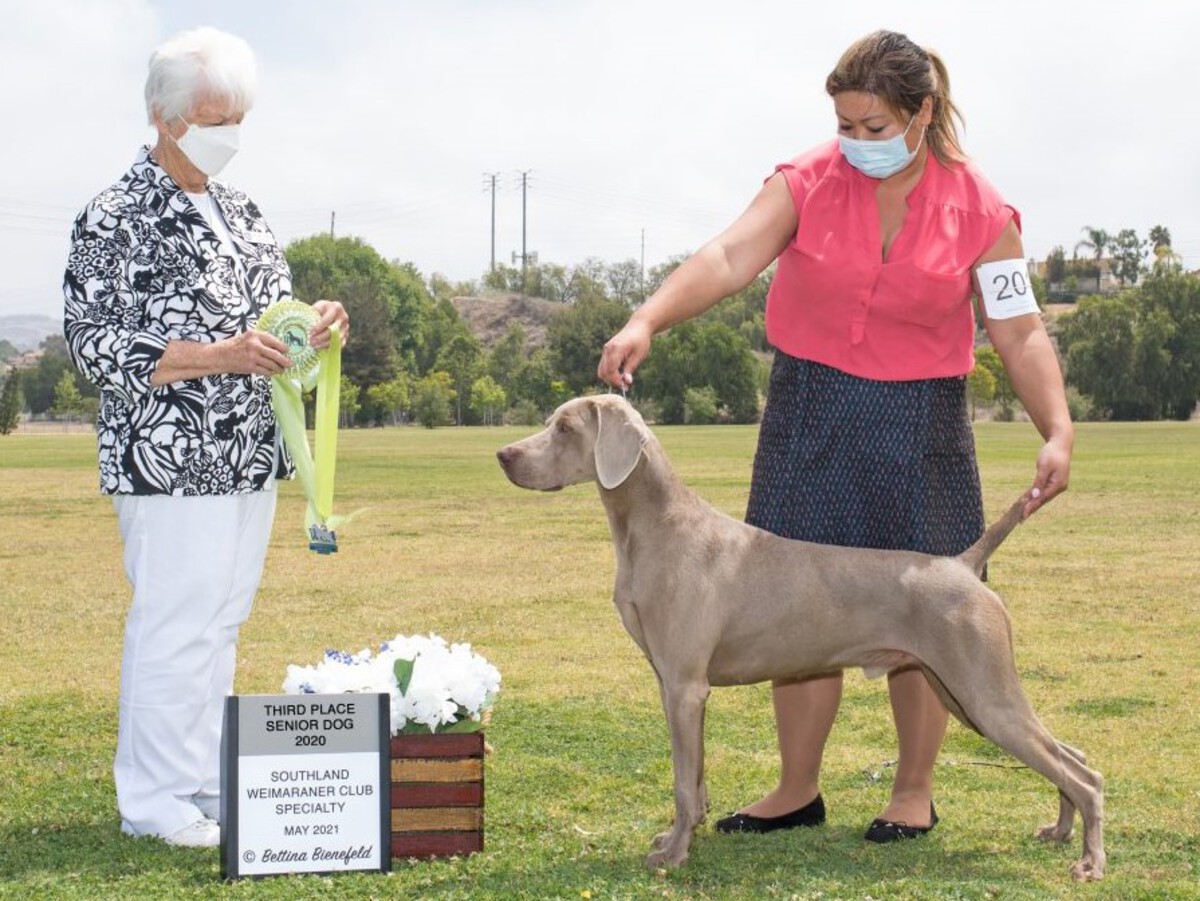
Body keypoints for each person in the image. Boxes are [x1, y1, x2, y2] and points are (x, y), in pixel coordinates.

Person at [598, 30, 1072, 843]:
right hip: (809, 411)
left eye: (874, 127)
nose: (855, 143)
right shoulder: (807, 179)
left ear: (922, 114)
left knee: (923, 612)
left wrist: (1057, 428)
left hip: (922, 424)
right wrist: (649, 315)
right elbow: (728, 254)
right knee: (796, 606)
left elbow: (1021, 329)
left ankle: (913, 790)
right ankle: (796, 786)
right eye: (845, 125)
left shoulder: (984, 211)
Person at [63, 27, 349, 848]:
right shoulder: (114, 214)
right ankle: (151, 799)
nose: (232, 135)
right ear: (166, 116)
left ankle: (196, 781)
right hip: (167, 459)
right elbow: (93, 343)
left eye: (240, 118)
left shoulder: (241, 210)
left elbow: (276, 317)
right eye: (218, 118)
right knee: (174, 623)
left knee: (220, 622)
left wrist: (315, 325)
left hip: (245, 454)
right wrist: (216, 357)